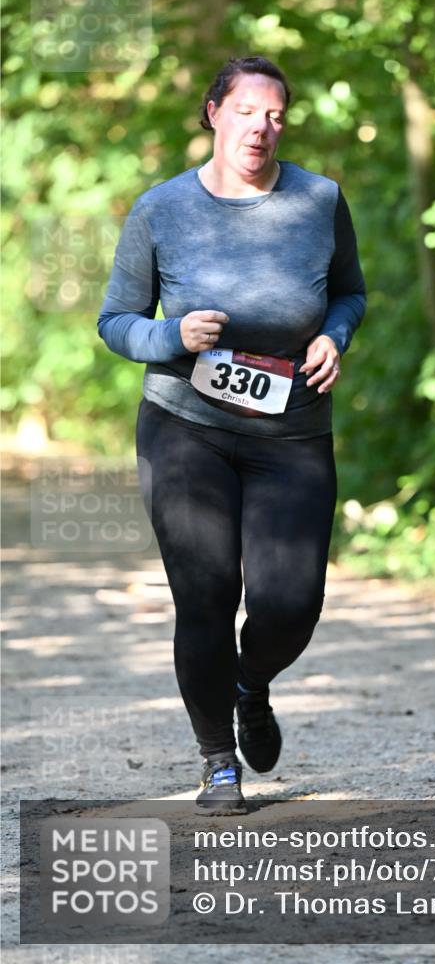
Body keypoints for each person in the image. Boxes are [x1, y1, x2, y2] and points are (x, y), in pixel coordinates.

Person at [97, 56, 366, 815]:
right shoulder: (161, 209)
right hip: (186, 426)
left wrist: (335, 335)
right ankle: (217, 760)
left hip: (292, 431)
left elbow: (349, 292)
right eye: (246, 111)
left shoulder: (318, 200)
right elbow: (115, 321)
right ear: (214, 113)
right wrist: (171, 335)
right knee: (206, 594)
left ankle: (250, 683)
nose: (261, 127)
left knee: (291, 602)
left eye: (275, 115)